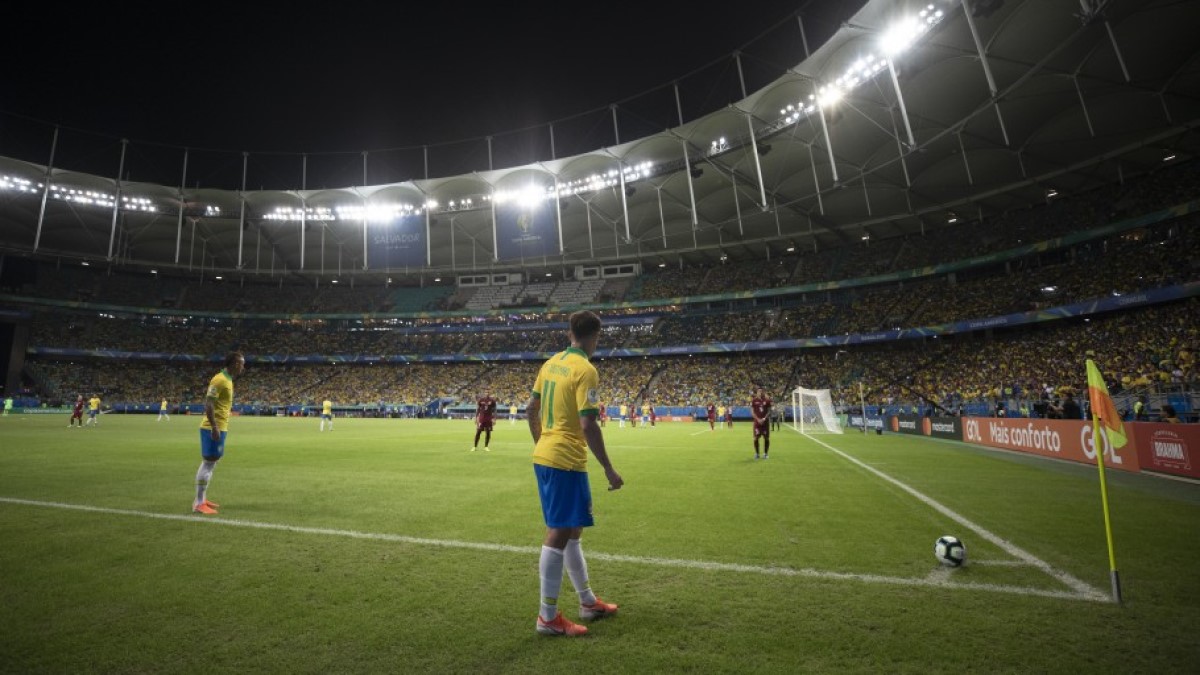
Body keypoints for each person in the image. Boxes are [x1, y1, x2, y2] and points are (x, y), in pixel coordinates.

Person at [526, 310, 622, 637]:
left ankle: (587, 602)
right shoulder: (586, 370)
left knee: (574, 529)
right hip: (565, 459)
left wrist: (542, 442)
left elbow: (530, 408)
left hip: (550, 454)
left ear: (570, 333)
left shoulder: (550, 363)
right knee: (559, 532)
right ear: (595, 336)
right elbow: (587, 423)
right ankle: (547, 617)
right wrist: (609, 468)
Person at [193, 352, 246, 515]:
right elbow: (208, 404)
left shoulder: (228, 380)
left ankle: (203, 499)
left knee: (213, 462)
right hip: (212, 427)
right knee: (208, 462)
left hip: (221, 426)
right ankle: (198, 503)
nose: (243, 367)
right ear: (234, 364)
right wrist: (215, 427)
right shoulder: (219, 379)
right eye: (241, 363)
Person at [751, 388, 772, 460]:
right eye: (758, 391)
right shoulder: (754, 400)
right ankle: (757, 454)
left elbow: (769, 411)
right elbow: (752, 412)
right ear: (757, 393)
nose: (760, 392)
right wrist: (758, 419)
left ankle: (765, 454)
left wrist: (764, 418)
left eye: (761, 391)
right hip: (757, 423)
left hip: (765, 422)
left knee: (766, 438)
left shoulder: (767, 400)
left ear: (763, 392)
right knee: (756, 438)